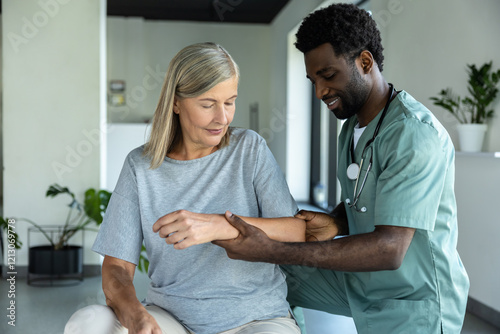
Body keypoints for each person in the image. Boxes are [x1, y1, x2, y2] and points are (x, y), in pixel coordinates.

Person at [213, 4, 470, 333]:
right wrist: (336, 220)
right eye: (313, 80)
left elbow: (389, 249)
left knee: (273, 259)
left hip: (413, 298)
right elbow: (369, 197)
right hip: (366, 283)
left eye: (328, 75)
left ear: (365, 62)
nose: (320, 92)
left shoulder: (413, 135)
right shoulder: (352, 127)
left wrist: (274, 249)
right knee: (272, 276)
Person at [64, 42, 305, 334]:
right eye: (207, 104)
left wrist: (220, 226)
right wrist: (135, 315)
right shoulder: (140, 167)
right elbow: (117, 267)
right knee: (88, 324)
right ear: (176, 103)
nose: (223, 118)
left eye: (229, 102)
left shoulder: (250, 149)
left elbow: (296, 232)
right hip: (172, 318)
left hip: (256, 318)